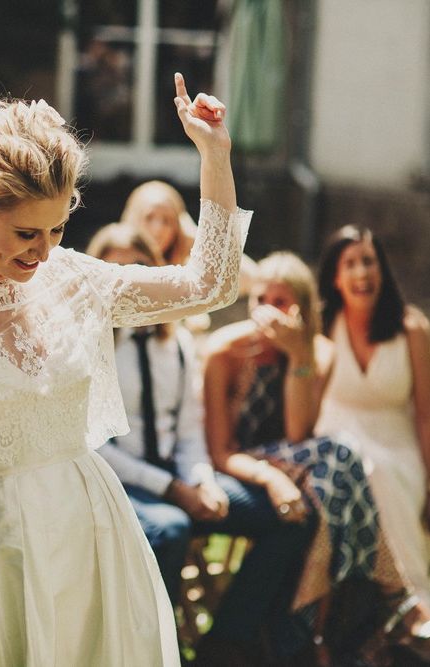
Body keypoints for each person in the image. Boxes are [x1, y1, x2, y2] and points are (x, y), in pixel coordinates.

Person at [0, 75, 251, 666]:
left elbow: (212, 284)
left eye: (56, 229)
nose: (42, 251)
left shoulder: (73, 278)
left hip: (87, 530)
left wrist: (214, 156)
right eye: (25, 233)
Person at [87, 225, 318, 665]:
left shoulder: (177, 344)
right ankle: (157, 650)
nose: (121, 281)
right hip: (119, 482)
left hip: (181, 477)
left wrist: (203, 482)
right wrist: (173, 490)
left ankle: (226, 642)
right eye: (112, 269)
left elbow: (191, 430)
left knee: (291, 516)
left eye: (133, 269)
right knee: (170, 527)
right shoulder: (90, 347)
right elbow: (95, 445)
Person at [203, 251, 430, 664]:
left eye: (281, 302)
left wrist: (298, 358)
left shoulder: (319, 354)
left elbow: (295, 433)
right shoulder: (225, 352)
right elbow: (220, 452)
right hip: (242, 467)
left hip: (300, 463)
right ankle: (382, 599)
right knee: (342, 456)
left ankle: (315, 627)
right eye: (261, 301)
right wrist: (271, 479)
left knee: (335, 478)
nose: (268, 312)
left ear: (303, 309)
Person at [316, 225, 430, 608]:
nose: (362, 272)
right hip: (336, 438)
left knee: (382, 470)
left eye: (370, 261)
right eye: (350, 264)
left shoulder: (412, 329)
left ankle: (410, 598)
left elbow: (427, 415)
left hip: (398, 445)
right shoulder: (322, 327)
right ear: (334, 276)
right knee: (356, 470)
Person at [120, 179, 257, 297]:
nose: (158, 229)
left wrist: (195, 236)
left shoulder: (186, 270)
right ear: (134, 219)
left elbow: (253, 280)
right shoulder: (118, 261)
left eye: (167, 220)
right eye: (149, 217)